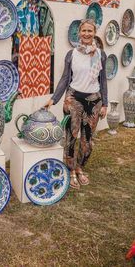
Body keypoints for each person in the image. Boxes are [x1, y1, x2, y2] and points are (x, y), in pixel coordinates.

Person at [45, 19, 108, 189]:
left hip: (94, 101)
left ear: (94, 33)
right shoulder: (71, 54)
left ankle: (80, 167)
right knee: (71, 137)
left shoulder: (100, 54)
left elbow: (103, 81)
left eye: (90, 31)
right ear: (79, 33)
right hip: (73, 99)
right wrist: (54, 99)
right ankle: (71, 170)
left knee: (87, 141)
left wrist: (105, 104)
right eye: (84, 31)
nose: (87, 34)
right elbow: (65, 79)